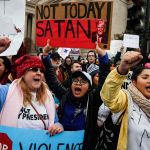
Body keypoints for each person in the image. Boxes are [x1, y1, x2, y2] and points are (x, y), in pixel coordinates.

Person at [42, 42, 110, 149]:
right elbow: (51, 79)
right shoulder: (65, 95)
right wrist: (45, 55)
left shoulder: (93, 100)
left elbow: (104, 81)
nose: (78, 83)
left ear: (89, 87)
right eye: (75, 80)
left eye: (83, 81)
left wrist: (103, 56)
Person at [0, 54, 63, 136]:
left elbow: (55, 122)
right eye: (34, 69)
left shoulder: (48, 96)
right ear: (23, 73)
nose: (39, 73)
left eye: (41, 71)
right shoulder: (7, 91)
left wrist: (58, 126)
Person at [100, 51, 150, 150]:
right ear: (134, 82)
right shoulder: (126, 100)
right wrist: (121, 70)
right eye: (145, 77)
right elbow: (109, 97)